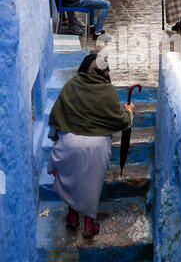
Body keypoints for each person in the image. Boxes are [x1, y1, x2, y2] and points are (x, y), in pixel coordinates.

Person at [47, 53, 135, 238]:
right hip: (97, 147)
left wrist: (55, 138)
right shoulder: (107, 91)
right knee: (90, 184)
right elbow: (119, 120)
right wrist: (129, 112)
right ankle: (89, 224)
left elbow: (56, 114)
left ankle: (72, 216)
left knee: (72, 178)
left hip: (68, 144)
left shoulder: (71, 85)